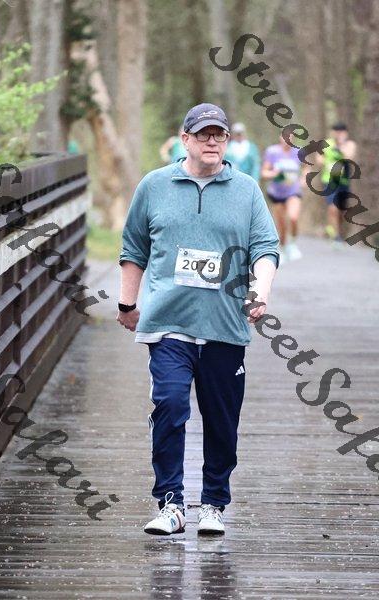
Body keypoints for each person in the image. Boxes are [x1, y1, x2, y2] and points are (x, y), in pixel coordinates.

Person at [117, 102, 279, 536]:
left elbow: (266, 248)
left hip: (225, 326)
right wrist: (127, 305)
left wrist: (261, 291)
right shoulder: (154, 186)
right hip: (168, 323)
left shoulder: (246, 190)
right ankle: (171, 503)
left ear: (227, 141)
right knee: (170, 406)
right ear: (184, 139)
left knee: (222, 422)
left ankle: (213, 504)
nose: (212, 141)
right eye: (203, 134)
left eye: (219, 134)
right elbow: (133, 248)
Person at [261, 134, 305, 263]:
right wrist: (272, 174)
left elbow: (306, 167)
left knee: (293, 217)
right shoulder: (272, 151)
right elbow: (264, 172)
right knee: (281, 224)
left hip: (293, 191)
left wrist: (303, 179)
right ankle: (283, 247)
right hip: (276, 193)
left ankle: (293, 243)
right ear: (280, 138)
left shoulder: (299, 152)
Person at [319, 122, 357, 244]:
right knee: (332, 207)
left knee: (341, 209)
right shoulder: (326, 143)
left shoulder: (350, 144)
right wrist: (327, 163)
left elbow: (349, 157)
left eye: (341, 132)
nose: (338, 134)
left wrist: (340, 145)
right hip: (330, 180)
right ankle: (335, 235)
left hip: (343, 181)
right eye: (336, 132)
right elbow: (319, 159)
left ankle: (338, 231)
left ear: (346, 133)